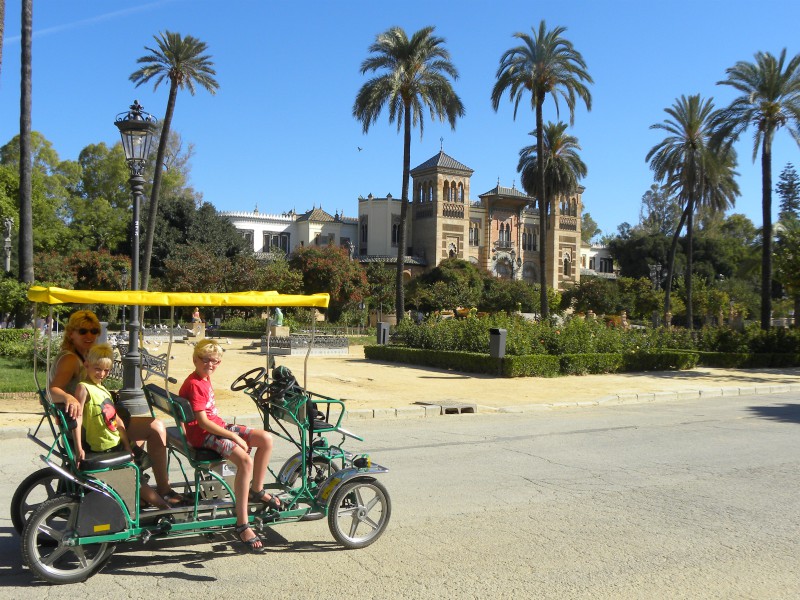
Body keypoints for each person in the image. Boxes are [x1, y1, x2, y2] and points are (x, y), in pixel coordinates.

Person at [50, 309, 185, 506]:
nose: (89, 335)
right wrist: (68, 397)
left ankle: (133, 490)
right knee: (156, 427)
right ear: (71, 333)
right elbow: (53, 390)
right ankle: (163, 490)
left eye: (94, 331)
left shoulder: (84, 357)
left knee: (138, 434)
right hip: (91, 424)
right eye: (83, 331)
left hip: (95, 417)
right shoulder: (71, 359)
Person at [179, 339, 279, 552]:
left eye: (215, 361)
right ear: (195, 359)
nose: (211, 364)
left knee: (266, 439)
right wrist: (235, 438)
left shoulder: (203, 378)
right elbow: (204, 423)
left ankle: (257, 490)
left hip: (215, 428)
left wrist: (233, 435)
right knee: (244, 461)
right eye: (206, 360)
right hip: (205, 435)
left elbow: (210, 418)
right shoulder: (196, 384)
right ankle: (242, 524)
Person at [72, 343, 171, 509]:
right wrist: (78, 447)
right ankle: (164, 507)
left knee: (141, 466)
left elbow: (117, 421)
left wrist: (126, 445)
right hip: (104, 447)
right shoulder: (84, 388)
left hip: (116, 443)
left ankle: (144, 499)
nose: (101, 374)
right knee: (136, 478)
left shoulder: (101, 388)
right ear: (87, 365)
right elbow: (78, 418)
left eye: (106, 370)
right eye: (97, 369)